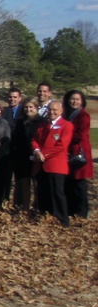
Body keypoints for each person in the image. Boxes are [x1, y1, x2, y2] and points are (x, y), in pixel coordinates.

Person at [32, 99, 73, 226]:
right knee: (43, 191)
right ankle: (44, 215)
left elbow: (61, 146)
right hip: (41, 164)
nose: (52, 112)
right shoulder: (43, 125)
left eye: (55, 110)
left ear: (61, 111)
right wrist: (37, 151)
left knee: (57, 192)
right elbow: (34, 140)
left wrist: (44, 154)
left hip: (56, 165)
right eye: (50, 109)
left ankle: (62, 218)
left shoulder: (66, 125)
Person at [8, 98, 43, 213]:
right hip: (22, 156)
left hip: (37, 155)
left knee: (37, 183)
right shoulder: (20, 122)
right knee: (24, 183)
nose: (28, 109)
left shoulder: (41, 122)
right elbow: (16, 139)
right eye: (26, 107)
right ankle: (25, 207)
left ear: (36, 108)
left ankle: (38, 206)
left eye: (31, 107)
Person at [63, 90, 92, 219]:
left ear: (82, 101)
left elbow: (80, 135)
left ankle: (82, 211)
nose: (74, 102)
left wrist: (64, 136)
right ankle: (71, 209)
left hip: (79, 153)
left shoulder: (83, 116)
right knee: (69, 182)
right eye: (72, 99)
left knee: (79, 184)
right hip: (68, 153)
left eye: (77, 99)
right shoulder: (66, 114)